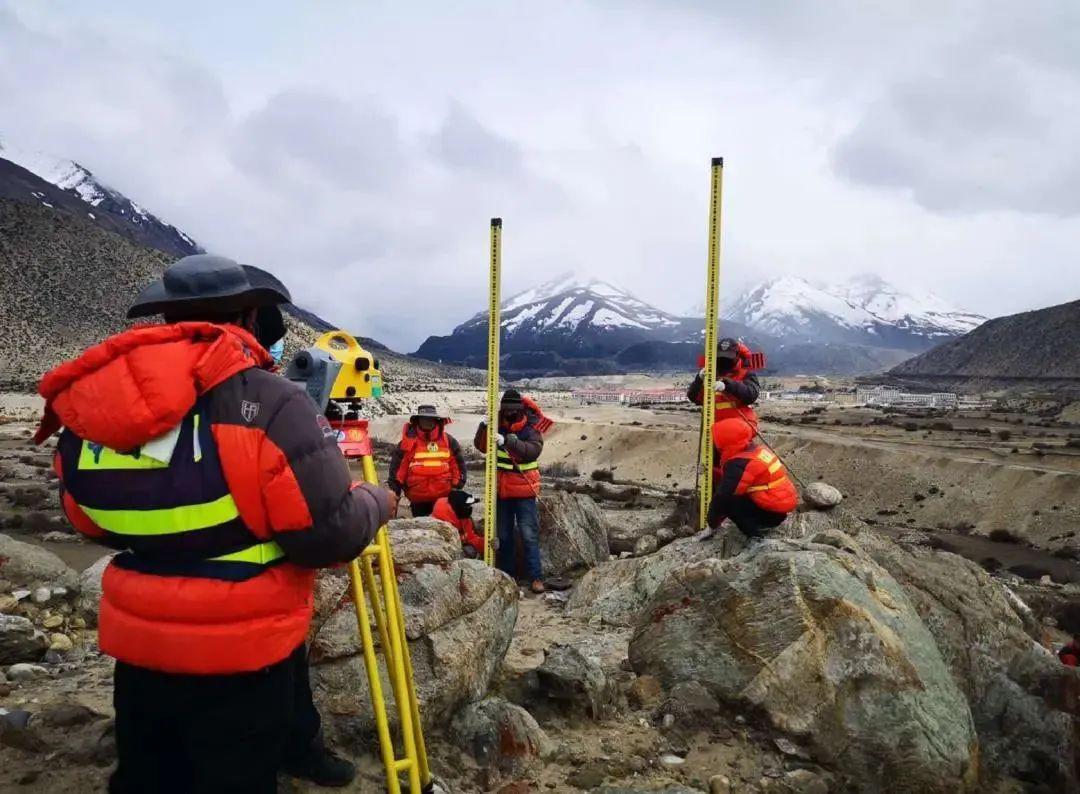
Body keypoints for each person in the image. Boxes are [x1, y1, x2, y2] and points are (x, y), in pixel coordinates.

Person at [35, 254, 396, 793]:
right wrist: (375, 500)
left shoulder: (104, 404)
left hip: (141, 642)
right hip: (243, 652)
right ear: (249, 319)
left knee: (147, 774)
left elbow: (85, 517)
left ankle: (303, 745)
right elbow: (327, 536)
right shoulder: (270, 402)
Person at [474, 389, 545, 593]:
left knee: (529, 534)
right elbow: (482, 447)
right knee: (504, 536)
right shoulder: (497, 425)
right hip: (502, 491)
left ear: (520, 410)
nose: (509, 415)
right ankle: (508, 575)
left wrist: (509, 442)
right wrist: (484, 427)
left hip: (525, 492)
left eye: (513, 411)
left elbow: (532, 451)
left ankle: (536, 577)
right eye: (506, 411)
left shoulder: (531, 429)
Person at [706, 417, 797, 539]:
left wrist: (711, 524)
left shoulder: (740, 463)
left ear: (724, 440)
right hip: (780, 505)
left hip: (772, 513)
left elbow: (722, 497)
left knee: (728, 502)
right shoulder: (756, 450)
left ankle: (755, 535)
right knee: (734, 494)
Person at [387, 405, 466, 517]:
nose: (428, 422)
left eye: (430, 419)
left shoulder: (449, 441)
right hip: (418, 500)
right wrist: (395, 491)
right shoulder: (407, 443)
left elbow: (458, 466)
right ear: (418, 421)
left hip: (443, 500)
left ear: (436, 421)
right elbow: (398, 471)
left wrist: (456, 487)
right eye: (424, 419)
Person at [686, 337, 761, 430]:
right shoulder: (709, 373)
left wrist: (728, 385)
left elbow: (751, 395)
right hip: (712, 429)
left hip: (738, 428)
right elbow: (694, 397)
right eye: (721, 357)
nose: (724, 360)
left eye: (728, 357)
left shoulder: (746, 373)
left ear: (737, 356)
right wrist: (699, 379)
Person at [431, 489, 485, 558]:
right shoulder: (442, 526)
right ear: (462, 508)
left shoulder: (461, 515)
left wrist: (486, 543)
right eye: (468, 506)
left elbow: (470, 536)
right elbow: (469, 538)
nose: (470, 508)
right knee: (470, 551)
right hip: (448, 555)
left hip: (460, 545)